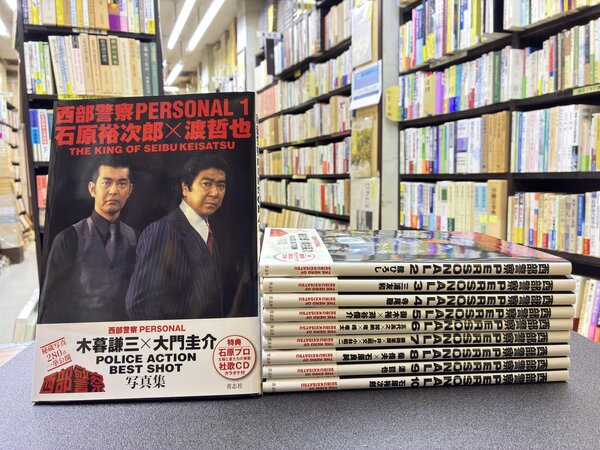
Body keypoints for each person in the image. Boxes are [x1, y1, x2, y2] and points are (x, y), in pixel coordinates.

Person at [126, 154, 228, 320]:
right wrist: (177, 335)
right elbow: (139, 304)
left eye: (221, 185)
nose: (215, 193)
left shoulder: (207, 230)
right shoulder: (162, 230)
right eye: (206, 184)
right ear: (185, 188)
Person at [38, 158, 137, 323]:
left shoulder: (138, 239)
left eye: (121, 184)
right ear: (92, 189)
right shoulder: (68, 239)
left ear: (129, 190)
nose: (113, 191)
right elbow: (51, 303)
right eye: (106, 182)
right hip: (83, 333)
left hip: (126, 333)